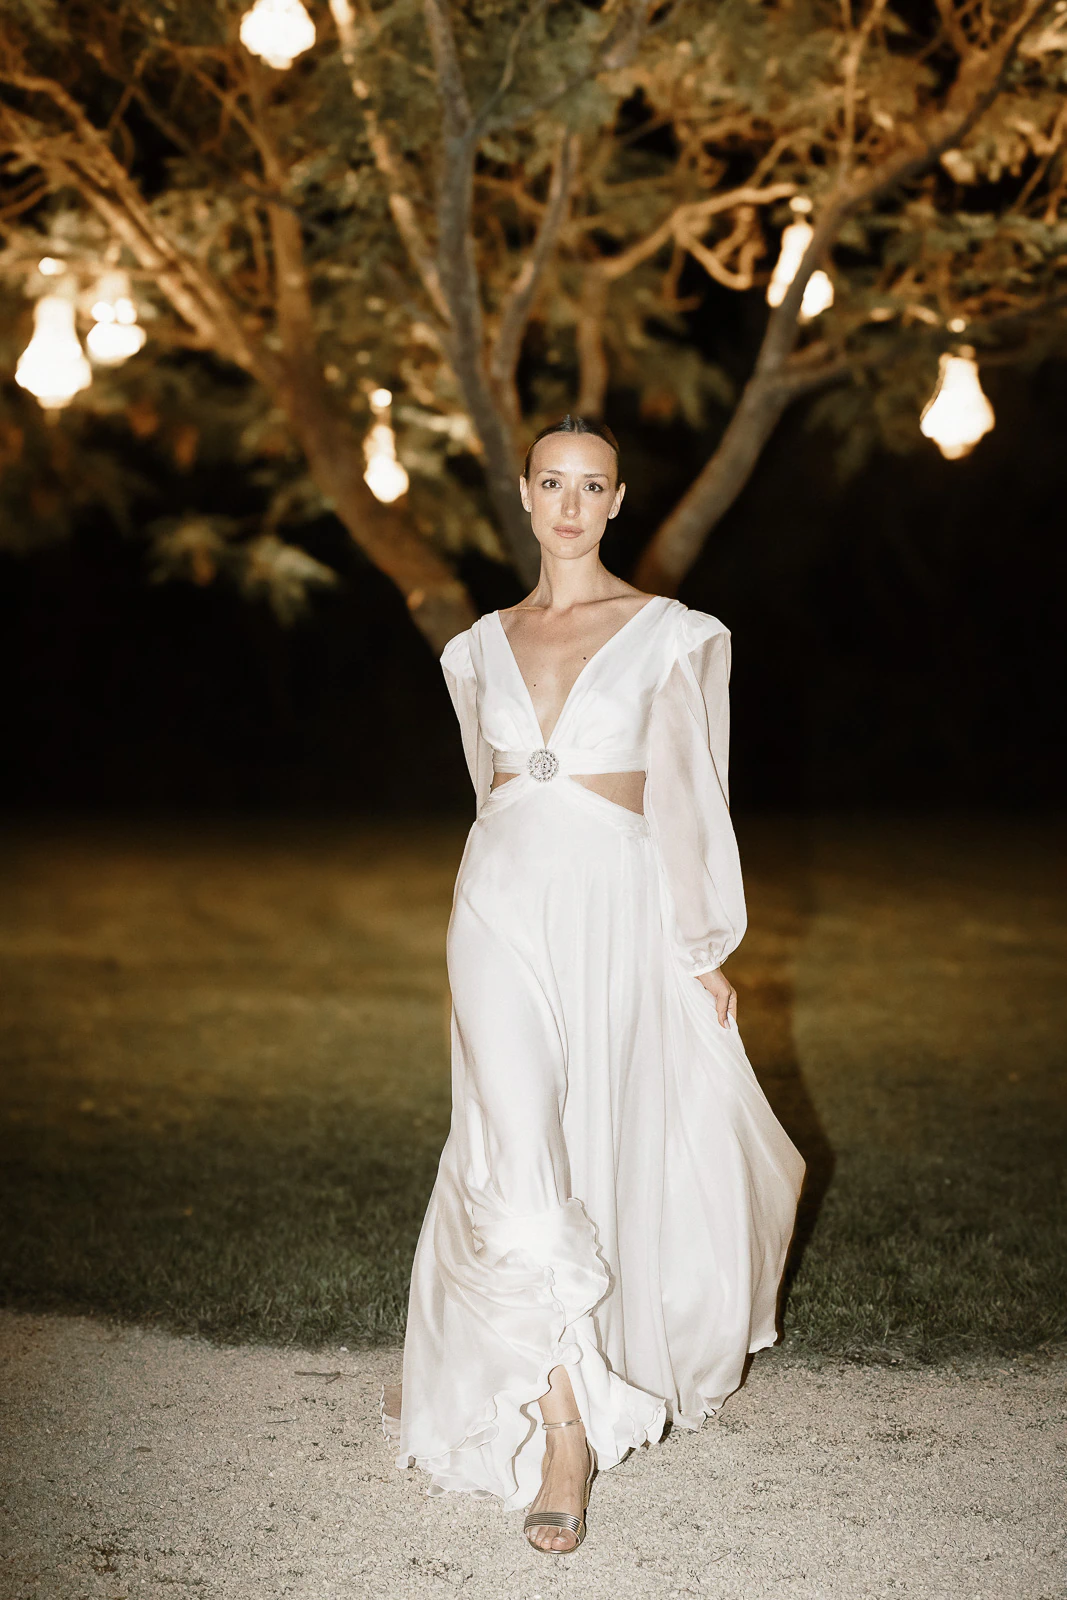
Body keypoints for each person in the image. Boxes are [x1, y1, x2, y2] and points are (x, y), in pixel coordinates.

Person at [380, 415, 804, 1555]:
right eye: (552, 483)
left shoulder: (673, 634)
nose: (570, 505)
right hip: (496, 911)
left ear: (617, 501)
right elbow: (492, 794)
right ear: (523, 493)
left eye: (592, 485)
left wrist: (699, 948)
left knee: (593, 1139)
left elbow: (691, 801)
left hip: (615, 907)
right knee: (512, 1140)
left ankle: (505, 1350)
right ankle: (564, 1431)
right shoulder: (476, 647)